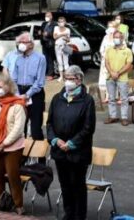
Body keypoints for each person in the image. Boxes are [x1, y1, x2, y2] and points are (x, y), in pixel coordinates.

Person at [47, 65, 96, 220]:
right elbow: (49, 124)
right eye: (66, 78)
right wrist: (55, 140)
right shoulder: (57, 98)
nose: (67, 81)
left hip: (78, 152)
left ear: (79, 80)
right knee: (65, 185)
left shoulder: (87, 100)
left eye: (71, 78)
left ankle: (79, 216)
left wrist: (72, 143)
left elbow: (88, 127)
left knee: (77, 185)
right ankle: (68, 214)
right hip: (59, 151)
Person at [0, 75, 27, 215]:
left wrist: (4, 144)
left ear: (8, 88)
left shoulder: (18, 106)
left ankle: (18, 204)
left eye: (0, 87)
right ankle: (0, 201)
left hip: (13, 147)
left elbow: (18, 129)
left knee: (13, 175)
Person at [11, 32, 46, 140]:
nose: (21, 44)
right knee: (20, 126)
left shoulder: (40, 58)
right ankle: (21, 150)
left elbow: (39, 82)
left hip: (35, 93)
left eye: (23, 42)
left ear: (31, 44)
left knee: (35, 128)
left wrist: (27, 95)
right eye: (19, 42)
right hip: (20, 92)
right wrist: (17, 94)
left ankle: (39, 150)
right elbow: (14, 79)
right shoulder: (18, 58)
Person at [104, 30, 133, 126]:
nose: (116, 39)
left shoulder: (127, 51)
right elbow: (106, 62)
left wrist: (118, 73)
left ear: (122, 38)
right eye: (115, 37)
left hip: (122, 78)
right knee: (111, 98)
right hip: (110, 77)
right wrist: (111, 72)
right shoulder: (109, 49)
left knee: (124, 99)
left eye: (118, 37)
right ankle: (112, 116)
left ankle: (124, 117)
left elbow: (128, 64)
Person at [52, 17, 71, 81]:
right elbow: (54, 37)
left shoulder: (68, 30)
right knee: (59, 62)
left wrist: (66, 38)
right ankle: (61, 76)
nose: (61, 23)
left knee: (66, 62)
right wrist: (62, 34)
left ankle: (67, 76)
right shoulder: (56, 28)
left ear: (65, 22)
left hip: (64, 46)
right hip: (57, 46)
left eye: (62, 21)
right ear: (58, 23)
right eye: (60, 22)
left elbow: (68, 39)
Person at [40, 12, 57, 79]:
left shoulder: (54, 24)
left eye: (48, 16)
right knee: (45, 59)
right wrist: (41, 33)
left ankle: (51, 74)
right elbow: (42, 31)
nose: (47, 17)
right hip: (44, 43)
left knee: (50, 59)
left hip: (50, 44)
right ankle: (47, 73)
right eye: (46, 16)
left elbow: (55, 33)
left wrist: (48, 34)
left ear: (51, 16)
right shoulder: (44, 24)